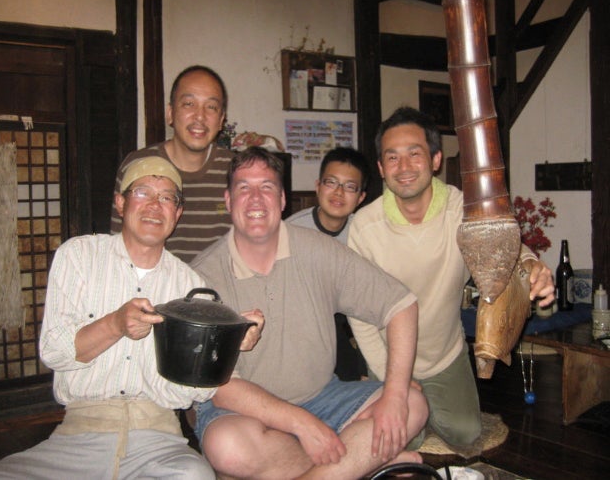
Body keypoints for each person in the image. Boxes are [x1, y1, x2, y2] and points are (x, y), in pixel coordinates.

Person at [0, 156, 264, 479]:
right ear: (121, 203)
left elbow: (195, 394)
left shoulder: (191, 286)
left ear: (177, 213)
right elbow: (53, 351)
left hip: (158, 438)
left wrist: (227, 345)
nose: (154, 205)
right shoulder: (79, 256)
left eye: (167, 198)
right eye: (142, 193)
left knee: (193, 475)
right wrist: (114, 324)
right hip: (78, 435)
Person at [190, 147, 428, 480]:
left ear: (282, 199)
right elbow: (221, 387)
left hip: (323, 397)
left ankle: (336, 468)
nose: (256, 199)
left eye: (267, 187)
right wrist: (302, 424)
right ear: (228, 200)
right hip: (243, 413)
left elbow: (400, 305)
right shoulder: (203, 277)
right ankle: (360, 464)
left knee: (413, 405)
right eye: (244, 188)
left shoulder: (319, 251)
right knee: (227, 446)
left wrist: (396, 395)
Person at [347, 106, 555, 447]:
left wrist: (534, 266)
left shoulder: (463, 209)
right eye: (392, 157)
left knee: (465, 432)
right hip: (389, 357)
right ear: (381, 168)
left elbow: (502, 243)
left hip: (445, 353)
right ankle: (397, 403)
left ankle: (426, 405)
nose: (404, 167)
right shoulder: (364, 227)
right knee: (402, 440)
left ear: (435, 160)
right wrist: (390, 377)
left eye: (415, 154)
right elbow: (360, 315)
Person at [111, 65, 235, 263]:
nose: (200, 116)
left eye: (211, 107)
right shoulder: (138, 166)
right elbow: (119, 244)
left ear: (221, 120)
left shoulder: (236, 171)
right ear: (170, 113)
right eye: (189, 104)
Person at [287, 147, 370, 381]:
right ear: (318, 186)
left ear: (361, 197)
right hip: (303, 320)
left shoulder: (365, 233)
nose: (339, 192)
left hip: (351, 318)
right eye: (331, 183)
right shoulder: (291, 231)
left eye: (350, 187)